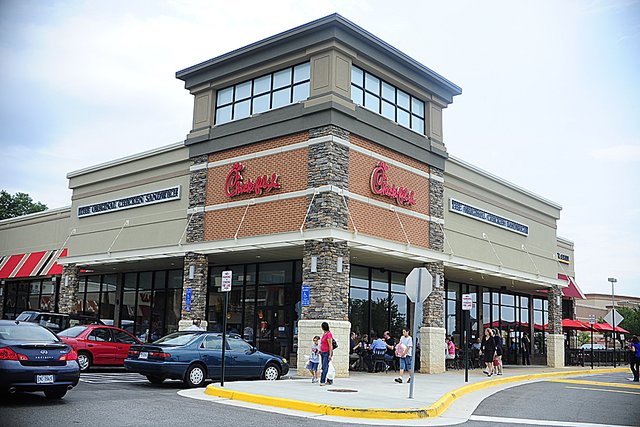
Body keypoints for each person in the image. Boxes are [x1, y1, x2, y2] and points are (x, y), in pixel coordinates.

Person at [319, 321, 334, 386]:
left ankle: (322, 380)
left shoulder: (328, 334)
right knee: (324, 366)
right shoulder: (324, 334)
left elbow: (330, 345)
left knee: (325, 367)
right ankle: (328, 379)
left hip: (327, 352)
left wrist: (330, 355)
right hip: (322, 352)